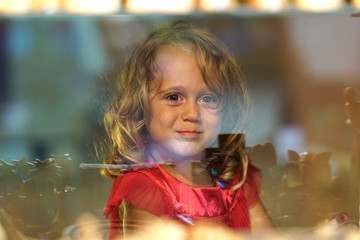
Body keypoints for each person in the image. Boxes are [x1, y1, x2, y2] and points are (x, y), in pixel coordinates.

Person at [102, 20, 274, 239]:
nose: (192, 113)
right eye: (174, 97)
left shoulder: (233, 179)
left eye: (208, 98)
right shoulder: (144, 186)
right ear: (140, 107)